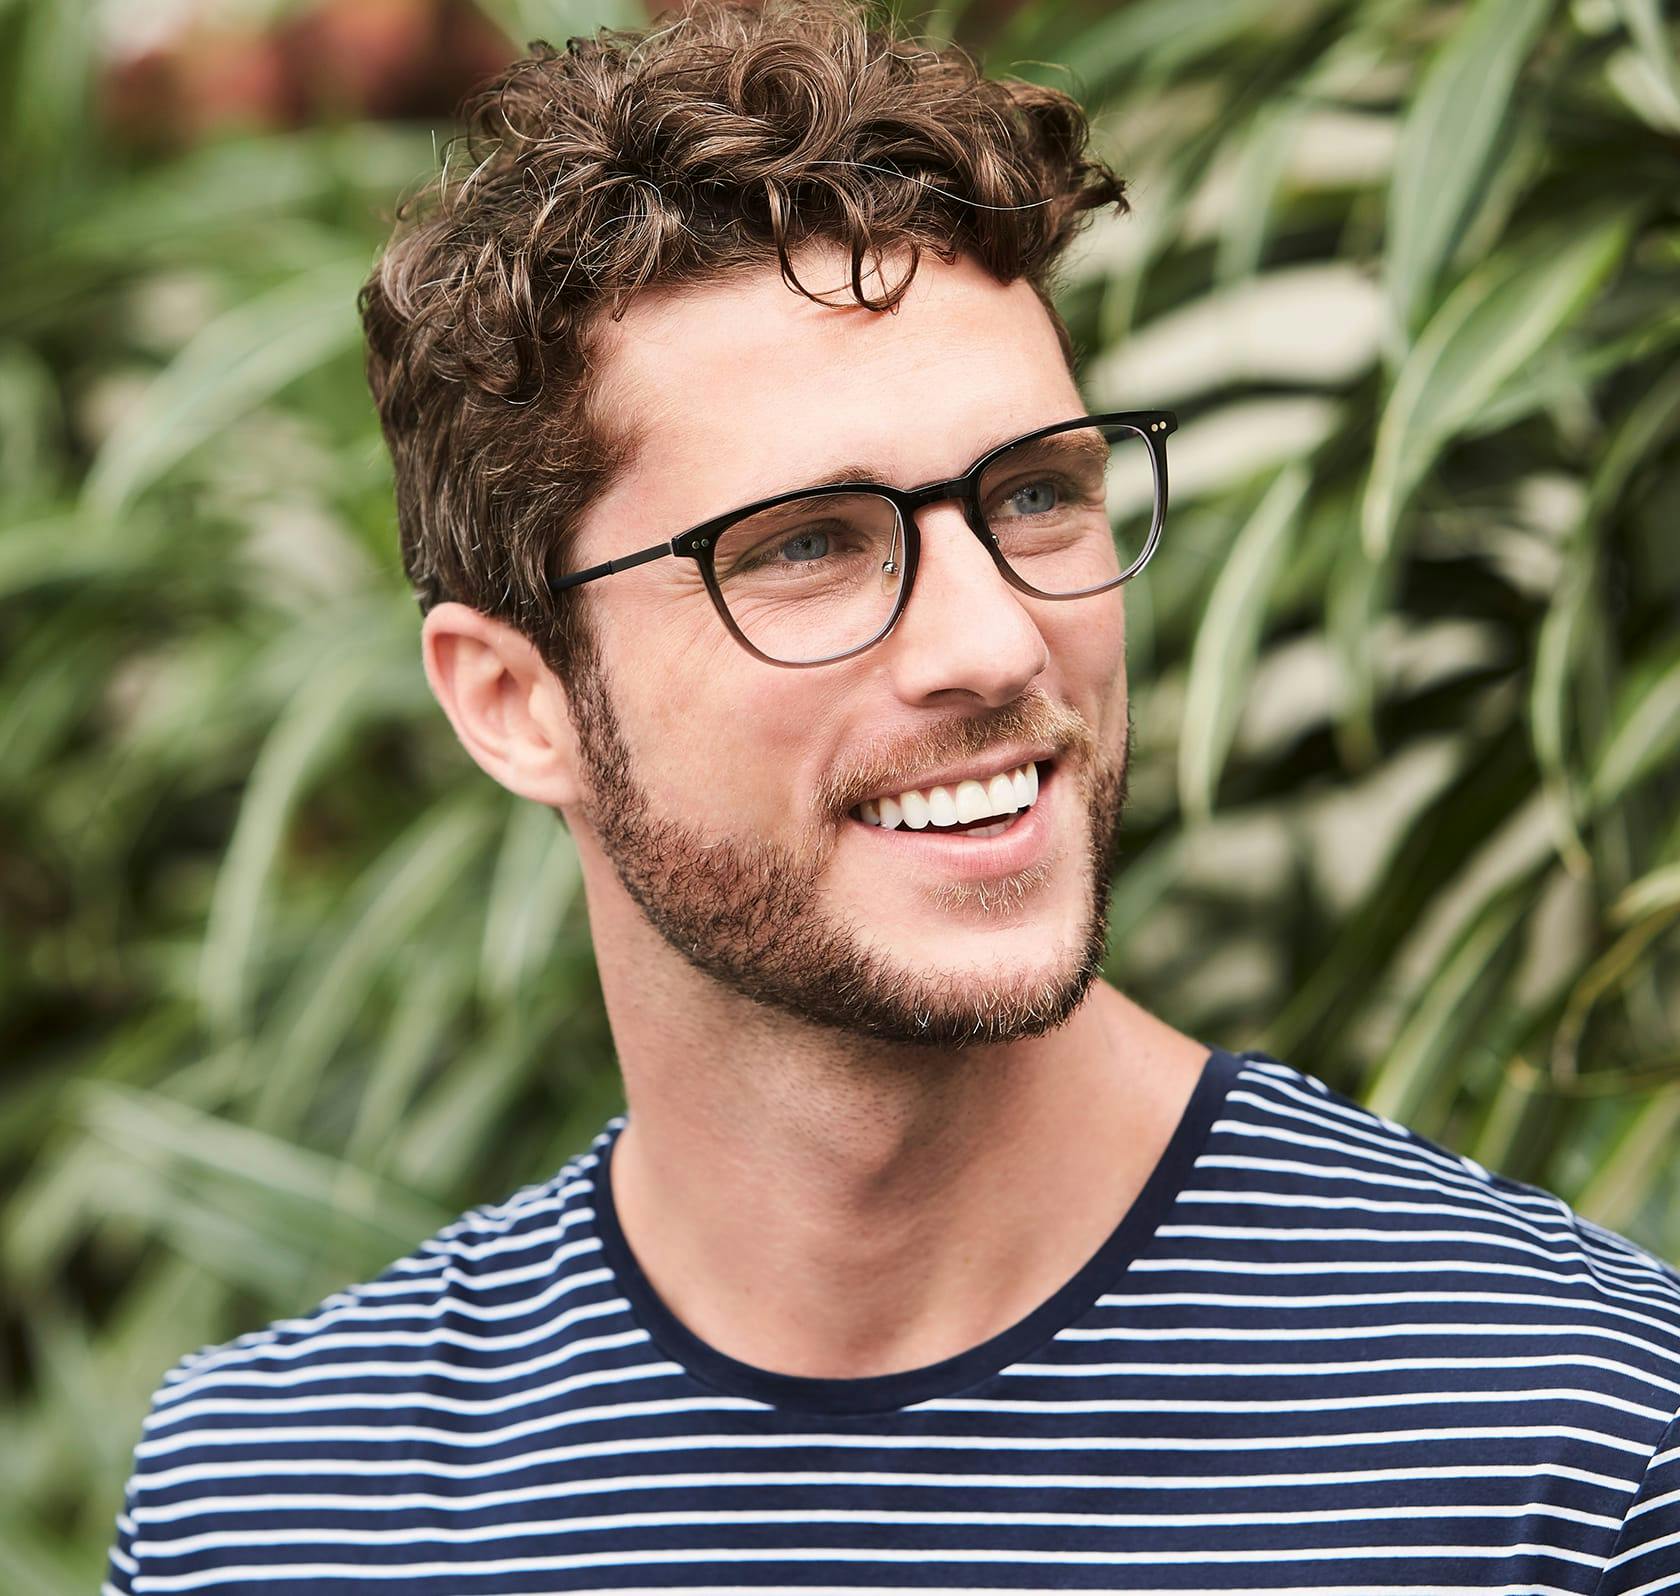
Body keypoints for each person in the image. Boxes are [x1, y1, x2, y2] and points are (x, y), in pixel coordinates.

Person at [106, 1, 1680, 1591]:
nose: (994, 642)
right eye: (803, 544)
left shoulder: (1566, 1440)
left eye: (1037, 495)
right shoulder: (275, 1506)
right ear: (517, 703)